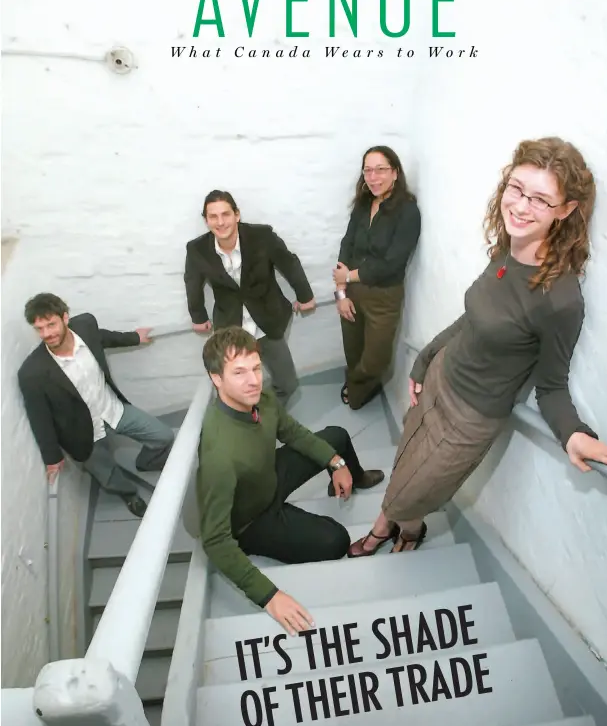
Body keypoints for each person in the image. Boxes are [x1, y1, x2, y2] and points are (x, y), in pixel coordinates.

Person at [348, 137, 607, 556]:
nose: (520, 206)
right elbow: (471, 319)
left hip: (471, 417)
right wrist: (424, 361)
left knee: (416, 491)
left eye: (540, 199)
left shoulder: (560, 299)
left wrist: (574, 434)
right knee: (405, 462)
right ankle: (391, 529)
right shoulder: (507, 250)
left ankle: (404, 529)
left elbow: (552, 385)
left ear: (567, 210)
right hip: (442, 377)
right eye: (516, 188)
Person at [196, 326, 385, 635]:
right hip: (252, 521)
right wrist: (270, 597)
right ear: (217, 379)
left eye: (256, 368)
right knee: (335, 541)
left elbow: (293, 433)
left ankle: (356, 476)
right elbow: (214, 540)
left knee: (336, 437)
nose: (254, 380)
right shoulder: (219, 454)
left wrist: (335, 462)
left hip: (267, 475)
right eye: (239, 372)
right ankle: (286, 525)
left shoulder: (262, 399)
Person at [18, 293, 175, 518]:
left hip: (113, 410)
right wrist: (51, 458)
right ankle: (129, 494)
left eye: (51, 324)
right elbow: (39, 417)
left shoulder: (85, 325)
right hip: (82, 434)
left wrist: (134, 337)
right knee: (107, 474)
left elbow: (103, 337)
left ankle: (145, 463)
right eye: (39, 328)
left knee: (163, 436)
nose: (46, 334)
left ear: (65, 317)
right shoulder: (32, 373)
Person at [184, 190, 316, 407]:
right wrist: (198, 316)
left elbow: (289, 263)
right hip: (230, 326)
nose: (220, 222)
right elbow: (192, 282)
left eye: (226, 214)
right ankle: (249, 421)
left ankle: (270, 415)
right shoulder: (196, 249)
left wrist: (305, 296)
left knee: (287, 383)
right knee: (235, 387)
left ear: (237, 215)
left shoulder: (262, 236)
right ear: (206, 221)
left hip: (269, 319)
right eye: (213, 217)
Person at [333, 146, 421, 410]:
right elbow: (347, 245)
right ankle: (358, 386)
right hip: (352, 291)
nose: (373, 177)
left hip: (384, 296)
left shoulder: (408, 212)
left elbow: (392, 264)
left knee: (377, 358)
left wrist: (348, 275)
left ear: (395, 173)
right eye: (368, 170)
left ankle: (357, 382)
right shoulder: (363, 204)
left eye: (381, 169)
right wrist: (341, 292)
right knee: (353, 349)